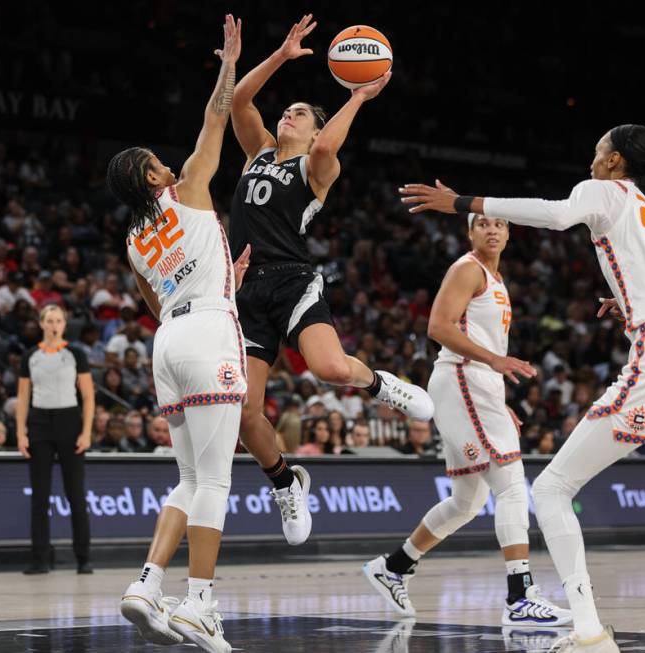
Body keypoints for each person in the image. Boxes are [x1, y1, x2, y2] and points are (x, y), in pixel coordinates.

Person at [400, 123, 645, 652]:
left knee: (553, 489)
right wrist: (634, 301)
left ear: (615, 161)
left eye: (597, 151)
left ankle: (588, 632)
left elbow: (555, 215)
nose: (591, 158)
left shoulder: (606, 191)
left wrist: (460, 200)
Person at [228, 14, 433, 546]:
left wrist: (360, 97)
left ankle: (381, 384)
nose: (287, 115)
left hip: (293, 279)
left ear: (318, 129)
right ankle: (286, 482)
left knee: (330, 368)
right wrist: (279, 54)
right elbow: (240, 103)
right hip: (245, 288)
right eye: (288, 111)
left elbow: (324, 149)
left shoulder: (320, 168)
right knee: (245, 411)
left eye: (299, 114)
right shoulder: (256, 153)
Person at [362, 213, 570, 627]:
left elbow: (484, 341)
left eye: (499, 224)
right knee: (511, 484)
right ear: (469, 232)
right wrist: (493, 365)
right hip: (461, 378)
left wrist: (498, 395)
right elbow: (438, 327)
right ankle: (520, 596)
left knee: (468, 501)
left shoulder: (496, 278)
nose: (492, 230)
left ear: (510, 233)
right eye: (482, 224)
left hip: (475, 386)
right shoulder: (466, 269)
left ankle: (394, 567)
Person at [111, 16, 245, 652]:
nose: (168, 164)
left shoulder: (133, 240)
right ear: (153, 178)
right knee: (215, 482)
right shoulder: (189, 185)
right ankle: (198, 604)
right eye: (156, 163)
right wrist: (229, 65)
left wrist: (223, 279)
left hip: (168, 342)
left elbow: (159, 300)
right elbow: (214, 119)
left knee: (189, 480)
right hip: (208, 333)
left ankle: (146, 584)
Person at [15, 304, 95, 575]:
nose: (54, 324)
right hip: (39, 423)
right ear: (41, 323)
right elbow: (23, 397)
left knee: (75, 494)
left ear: (64, 324)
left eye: (58, 320)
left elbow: (88, 396)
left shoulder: (75, 354)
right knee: (40, 495)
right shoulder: (31, 356)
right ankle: (39, 558)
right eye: (49, 320)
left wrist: (86, 431)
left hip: (69, 421)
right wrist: (20, 432)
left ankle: (83, 558)